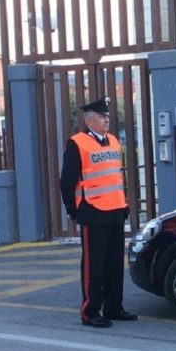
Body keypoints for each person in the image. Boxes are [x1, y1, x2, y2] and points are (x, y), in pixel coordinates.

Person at [60, 97, 137, 328]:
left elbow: (115, 176)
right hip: (93, 211)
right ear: (89, 120)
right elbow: (67, 181)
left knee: (114, 263)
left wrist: (123, 205)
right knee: (94, 266)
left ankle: (114, 306)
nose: (107, 120)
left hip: (115, 210)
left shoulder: (113, 141)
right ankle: (90, 311)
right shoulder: (77, 143)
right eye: (102, 117)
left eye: (108, 117)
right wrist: (73, 210)